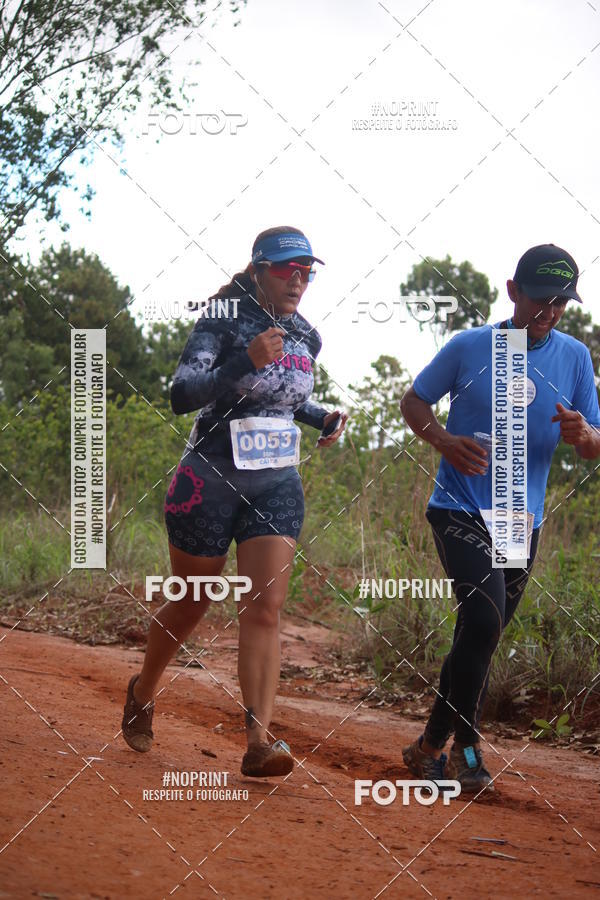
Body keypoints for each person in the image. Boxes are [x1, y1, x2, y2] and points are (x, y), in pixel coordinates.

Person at [121, 226, 347, 777]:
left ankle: (259, 742)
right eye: (287, 270)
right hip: (209, 479)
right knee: (193, 599)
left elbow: (284, 399)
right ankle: (143, 690)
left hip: (275, 483)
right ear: (258, 270)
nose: (298, 280)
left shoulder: (307, 336)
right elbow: (182, 394)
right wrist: (243, 359)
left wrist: (322, 416)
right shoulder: (222, 320)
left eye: (306, 272)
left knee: (264, 608)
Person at [400, 243, 600, 793]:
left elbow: (594, 442)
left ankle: (427, 749)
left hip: (519, 518)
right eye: (540, 300)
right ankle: (467, 756)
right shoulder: (470, 347)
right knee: (485, 623)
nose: (550, 312)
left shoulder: (575, 357)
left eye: (560, 303)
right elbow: (413, 402)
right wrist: (443, 440)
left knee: (478, 635)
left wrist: (584, 435)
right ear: (513, 291)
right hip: (460, 508)